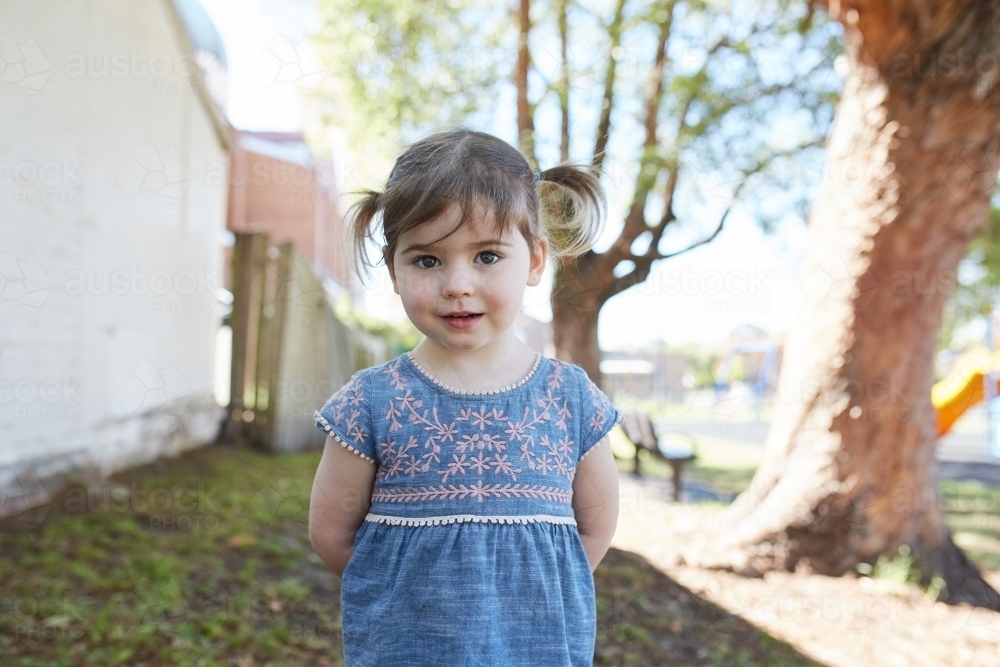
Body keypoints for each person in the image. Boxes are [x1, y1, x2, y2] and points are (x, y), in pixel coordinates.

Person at [309, 127, 622, 666]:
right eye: (427, 260)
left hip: (536, 650)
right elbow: (332, 533)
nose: (457, 283)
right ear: (394, 270)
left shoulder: (570, 399)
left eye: (487, 256)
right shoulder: (372, 401)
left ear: (536, 260)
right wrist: (404, 599)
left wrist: (531, 600)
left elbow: (594, 527)